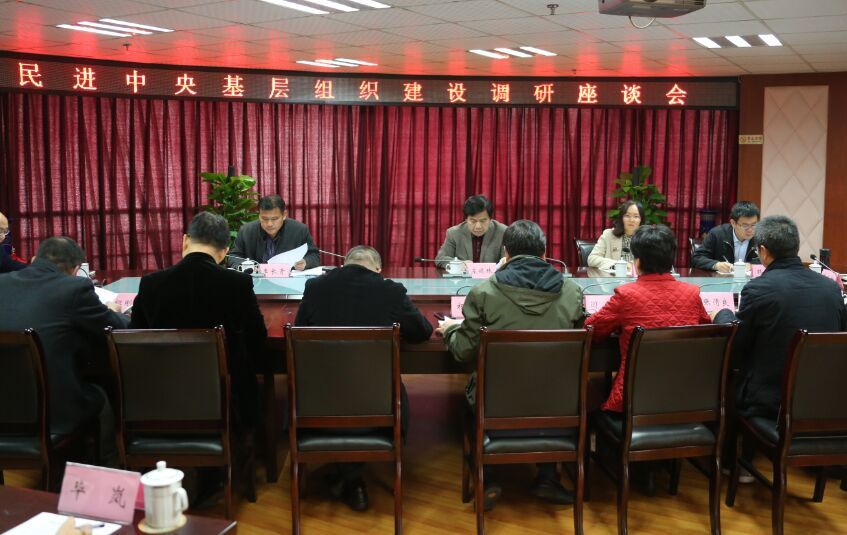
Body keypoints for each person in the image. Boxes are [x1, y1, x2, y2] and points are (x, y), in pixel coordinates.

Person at [437, 220, 584, 510]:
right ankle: (547, 478)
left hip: (495, 402)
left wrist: (452, 330)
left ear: (505, 253)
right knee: (545, 383)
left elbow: (464, 351)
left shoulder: (483, 292)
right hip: (557, 401)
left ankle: (487, 478)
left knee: (469, 402)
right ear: (545, 253)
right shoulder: (572, 291)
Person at [295, 245, 432, 512]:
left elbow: (301, 332)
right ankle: (352, 476)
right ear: (378, 269)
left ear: (344, 264)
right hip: (379, 404)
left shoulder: (315, 287)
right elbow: (422, 332)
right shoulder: (391, 291)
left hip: (319, 402)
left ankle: (349, 476)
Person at [130, 212, 268, 428]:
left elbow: (135, 337)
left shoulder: (151, 283)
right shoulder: (237, 283)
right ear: (224, 251)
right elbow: (257, 337)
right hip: (224, 393)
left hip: (163, 389)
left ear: (185, 240)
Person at [0, 236, 128, 464]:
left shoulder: (2, 283)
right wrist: (112, 310)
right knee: (104, 397)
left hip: (5, 408)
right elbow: (117, 327)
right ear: (76, 269)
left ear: (34, 259)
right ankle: (109, 468)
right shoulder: (74, 288)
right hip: (53, 413)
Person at [714, 215, 846, 419]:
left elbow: (736, 345)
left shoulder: (759, 289)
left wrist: (722, 314)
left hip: (772, 403)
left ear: (763, 251)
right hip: (825, 401)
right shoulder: (831, 288)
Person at [585, 224, 711, 413]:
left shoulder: (626, 295)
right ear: (671, 260)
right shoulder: (692, 293)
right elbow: (706, 329)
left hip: (633, 400)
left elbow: (591, 330)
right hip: (685, 398)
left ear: (637, 263)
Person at [228, 195, 319, 270]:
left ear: (284, 215)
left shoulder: (299, 230)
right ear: (259, 215)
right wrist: (246, 267)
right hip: (255, 281)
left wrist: (305, 262)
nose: (269, 224)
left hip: (288, 281)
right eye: (264, 218)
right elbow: (234, 256)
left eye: (274, 219)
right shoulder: (246, 231)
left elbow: (314, 255)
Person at [435, 195, 507, 269]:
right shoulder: (454, 233)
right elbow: (440, 259)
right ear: (466, 220)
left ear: (490, 219)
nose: (478, 226)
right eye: (473, 221)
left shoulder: (502, 232)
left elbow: (507, 260)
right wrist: (459, 264)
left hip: (492, 276)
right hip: (463, 276)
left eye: (483, 221)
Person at [692, 200, 761, 273]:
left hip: (750, 279)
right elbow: (697, 258)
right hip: (720, 279)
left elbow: (768, 261)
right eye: (745, 226)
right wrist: (716, 265)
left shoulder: (761, 237)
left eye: (754, 225)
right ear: (733, 223)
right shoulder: (717, 234)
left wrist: (752, 265)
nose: (750, 230)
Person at [588, 200, 644, 271]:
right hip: (613, 277)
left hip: (638, 277)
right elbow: (592, 259)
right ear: (621, 218)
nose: (631, 220)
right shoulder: (608, 235)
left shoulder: (645, 239)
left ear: (641, 220)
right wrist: (619, 264)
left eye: (636, 216)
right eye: (627, 216)